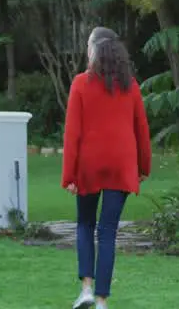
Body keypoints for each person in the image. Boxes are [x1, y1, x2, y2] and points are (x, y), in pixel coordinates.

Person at [62, 27, 151, 309]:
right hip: (121, 165)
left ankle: (86, 288)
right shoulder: (131, 86)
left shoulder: (80, 83)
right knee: (108, 231)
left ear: (94, 51)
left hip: (90, 164)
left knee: (86, 224)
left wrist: (69, 175)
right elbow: (141, 130)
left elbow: (72, 133)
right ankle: (101, 301)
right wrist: (143, 167)